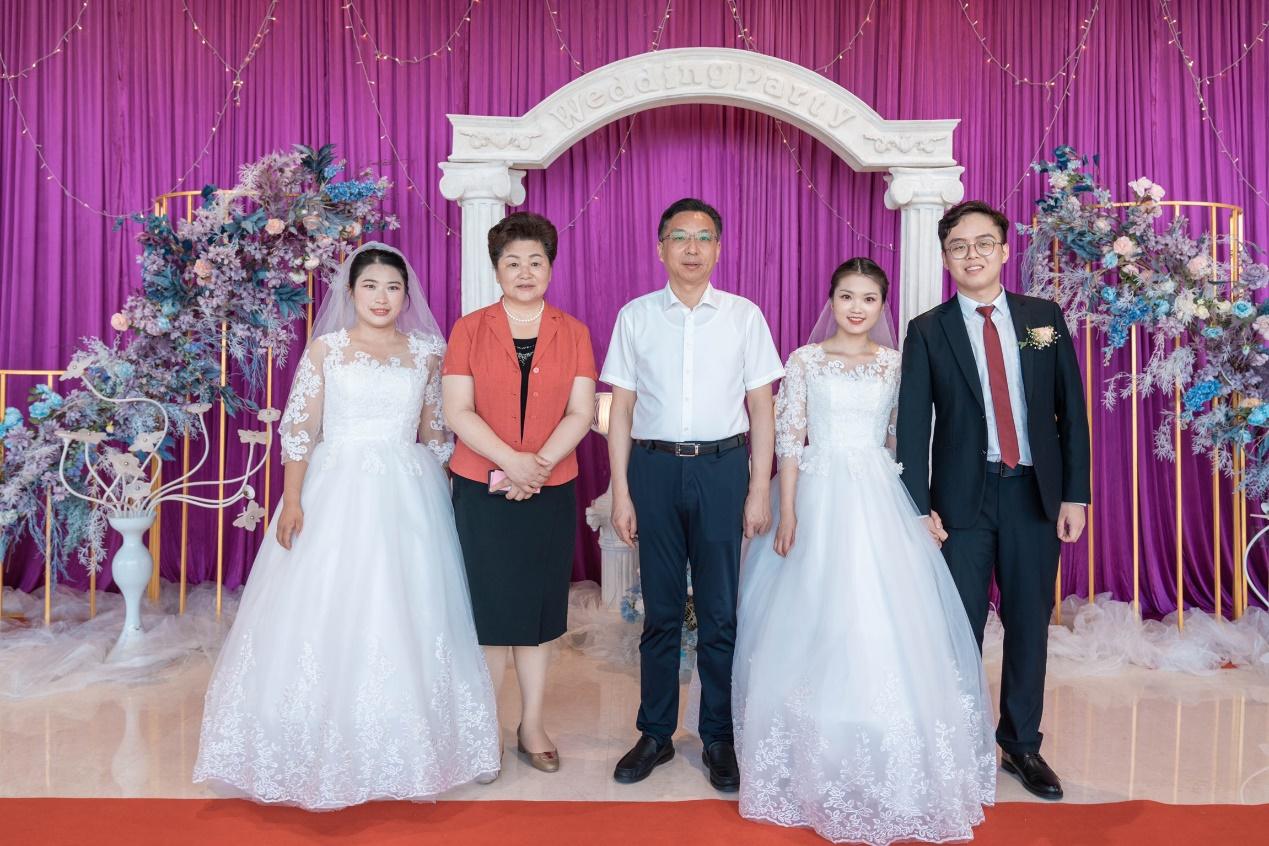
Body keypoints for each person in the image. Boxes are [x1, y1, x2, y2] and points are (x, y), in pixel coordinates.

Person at [194, 243, 500, 809]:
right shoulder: (327, 350)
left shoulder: (427, 353)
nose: (382, 298)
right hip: (334, 487)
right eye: (370, 287)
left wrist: (447, 495)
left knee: (408, 607)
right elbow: (299, 430)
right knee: (326, 605)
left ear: (406, 296)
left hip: (408, 493)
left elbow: (436, 431)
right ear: (351, 292)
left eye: (392, 288)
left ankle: (410, 746)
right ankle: (310, 741)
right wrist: (291, 500)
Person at [732, 258, 995, 844]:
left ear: (882, 305)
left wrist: (920, 505)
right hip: (817, 490)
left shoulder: (896, 364)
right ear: (832, 300)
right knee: (814, 613)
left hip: (879, 491)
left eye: (869, 298)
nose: (857, 308)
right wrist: (788, 510)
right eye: (847, 296)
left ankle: (881, 734)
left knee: (882, 615)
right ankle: (811, 745)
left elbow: (909, 438)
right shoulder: (805, 360)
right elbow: (790, 439)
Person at [896, 201, 1091, 800]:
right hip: (961, 503)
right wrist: (917, 507)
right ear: (946, 258)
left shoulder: (1042, 317)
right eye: (959, 246)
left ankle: (1021, 744)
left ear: (1004, 251)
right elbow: (912, 427)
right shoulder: (928, 329)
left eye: (984, 243)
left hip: (1034, 493)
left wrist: (1076, 495)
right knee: (959, 628)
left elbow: (1070, 410)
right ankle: (960, 744)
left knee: (1030, 623)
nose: (972, 254)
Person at [602, 198, 783, 791]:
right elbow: (621, 409)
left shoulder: (743, 316)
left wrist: (759, 489)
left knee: (719, 612)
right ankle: (655, 732)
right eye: (680, 237)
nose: (692, 248)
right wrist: (621, 491)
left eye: (704, 237)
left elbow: (762, 408)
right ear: (660, 248)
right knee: (659, 611)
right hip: (653, 469)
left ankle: (718, 736)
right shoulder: (635, 317)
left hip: (723, 469)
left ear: (719, 249)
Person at [442, 212, 596, 774]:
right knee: (487, 613)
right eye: (513, 262)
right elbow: (458, 410)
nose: (525, 272)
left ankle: (532, 724)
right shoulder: (468, 329)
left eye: (535, 261)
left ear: (550, 267)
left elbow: (581, 411)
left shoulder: (574, 332)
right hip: (480, 489)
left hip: (550, 490)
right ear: (496, 269)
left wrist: (539, 466)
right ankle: (484, 728)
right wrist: (513, 462)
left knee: (537, 611)